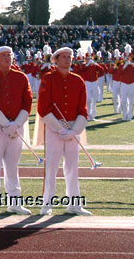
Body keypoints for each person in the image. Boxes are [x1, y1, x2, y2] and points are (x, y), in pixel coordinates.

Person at [0, 46, 32, 215]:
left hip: (16, 125)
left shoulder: (21, 77)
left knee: (12, 165)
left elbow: (28, 102)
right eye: (4, 56)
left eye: (9, 55)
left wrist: (15, 124)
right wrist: (5, 123)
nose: (8, 58)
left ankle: (15, 201)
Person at [38, 47, 92, 216]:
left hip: (73, 128)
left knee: (72, 168)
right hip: (55, 128)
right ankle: (46, 203)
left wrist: (74, 131)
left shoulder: (78, 80)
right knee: (51, 167)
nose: (68, 60)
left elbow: (83, 110)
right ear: (56, 59)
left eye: (70, 57)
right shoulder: (48, 78)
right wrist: (60, 128)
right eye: (64, 57)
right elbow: (43, 108)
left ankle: (74, 204)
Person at [119, 44, 134, 121]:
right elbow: (118, 72)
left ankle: (130, 116)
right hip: (124, 84)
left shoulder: (132, 64)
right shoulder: (121, 65)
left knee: (131, 101)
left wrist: (133, 65)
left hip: (131, 84)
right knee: (123, 101)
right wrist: (124, 66)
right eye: (126, 58)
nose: (127, 59)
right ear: (124, 58)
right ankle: (124, 115)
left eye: (128, 58)